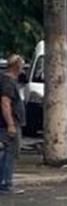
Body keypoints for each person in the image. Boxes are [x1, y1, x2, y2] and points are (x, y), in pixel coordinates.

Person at [0, 55, 25, 194]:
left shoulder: (5, 80)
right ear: (17, 66)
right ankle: (5, 183)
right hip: (8, 123)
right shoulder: (8, 82)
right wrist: (10, 124)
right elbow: (5, 103)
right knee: (9, 152)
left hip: (6, 123)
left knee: (6, 152)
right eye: (22, 65)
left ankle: (4, 182)